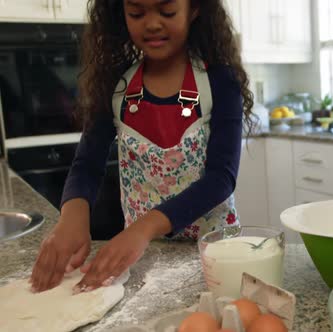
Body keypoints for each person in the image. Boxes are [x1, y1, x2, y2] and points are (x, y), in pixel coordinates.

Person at [29, 0, 253, 293]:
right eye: (137, 12)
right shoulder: (117, 86)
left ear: (195, 9)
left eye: (167, 11)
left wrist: (144, 227)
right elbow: (87, 164)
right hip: (145, 257)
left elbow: (221, 178)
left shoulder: (219, 82)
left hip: (215, 256)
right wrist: (72, 217)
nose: (152, 23)